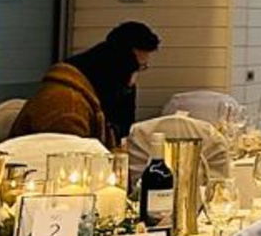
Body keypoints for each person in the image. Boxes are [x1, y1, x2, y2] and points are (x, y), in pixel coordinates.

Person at [14, 22, 160, 148]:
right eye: (134, 69)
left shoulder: (98, 95)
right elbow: (68, 164)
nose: (132, 81)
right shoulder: (67, 106)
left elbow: (122, 134)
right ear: (115, 68)